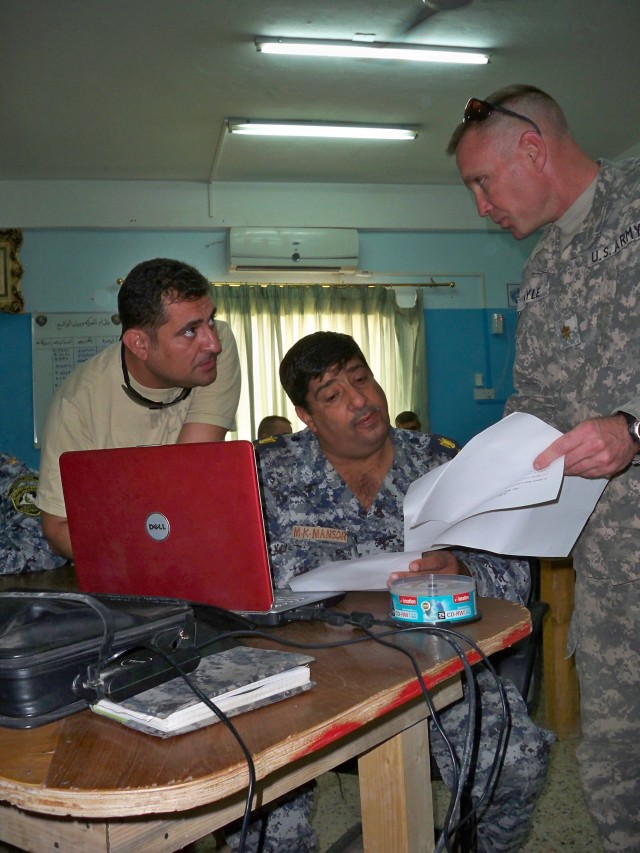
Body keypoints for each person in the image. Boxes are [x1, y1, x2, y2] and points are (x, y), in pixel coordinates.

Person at [244, 331, 553, 853]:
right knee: (256, 811)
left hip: (433, 664)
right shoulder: (263, 473)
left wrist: (461, 570)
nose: (360, 401)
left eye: (362, 379)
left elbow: (515, 577)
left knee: (515, 763)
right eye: (333, 395)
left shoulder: (443, 462)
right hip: (303, 671)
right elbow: (231, 582)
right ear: (306, 415)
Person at [448, 84, 640, 851]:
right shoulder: (551, 264)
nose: (481, 207)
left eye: (481, 182)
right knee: (615, 761)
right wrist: (476, 483)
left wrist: (634, 426)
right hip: (609, 575)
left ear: (531, 146)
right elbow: (535, 404)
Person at [36, 257, 241, 559]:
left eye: (210, 319)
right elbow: (58, 526)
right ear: (139, 345)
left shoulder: (216, 351)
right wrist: (135, 567)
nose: (212, 342)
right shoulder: (77, 404)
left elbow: (187, 475)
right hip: (119, 560)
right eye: (189, 331)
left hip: (189, 546)